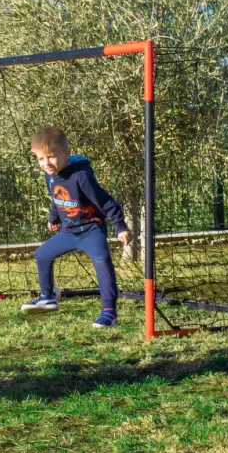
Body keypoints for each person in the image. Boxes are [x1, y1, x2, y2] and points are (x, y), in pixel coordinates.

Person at [20, 127, 132, 324]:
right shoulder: (50, 175)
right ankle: (47, 298)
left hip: (91, 230)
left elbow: (105, 201)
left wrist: (120, 226)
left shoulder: (82, 176)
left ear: (66, 154)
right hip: (69, 232)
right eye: (40, 159)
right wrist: (54, 217)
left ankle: (109, 311)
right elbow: (56, 197)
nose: (46, 163)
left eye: (52, 157)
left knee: (101, 260)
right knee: (41, 254)